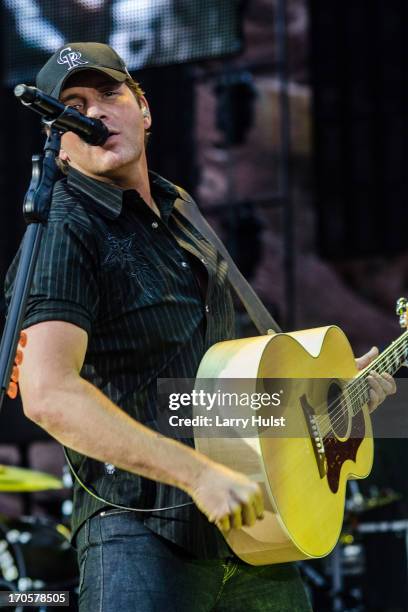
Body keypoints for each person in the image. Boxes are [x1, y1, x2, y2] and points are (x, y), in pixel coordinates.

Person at [4, 42, 396, 611]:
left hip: (253, 531)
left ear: (144, 108)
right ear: (59, 146)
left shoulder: (179, 207)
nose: (93, 113)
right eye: (73, 105)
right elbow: (46, 394)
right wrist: (198, 475)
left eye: (109, 94)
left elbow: (206, 393)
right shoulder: (66, 229)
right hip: (140, 534)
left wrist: (335, 392)